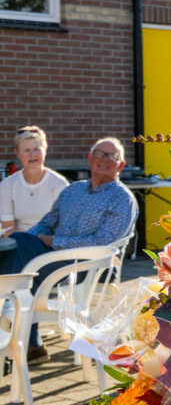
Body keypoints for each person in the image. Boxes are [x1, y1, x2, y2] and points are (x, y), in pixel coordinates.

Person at [0, 137, 137, 360]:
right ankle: (27, 341)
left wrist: (54, 241)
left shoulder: (122, 199)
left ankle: (16, 331)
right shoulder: (73, 190)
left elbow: (102, 243)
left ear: (121, 166)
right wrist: (27, 238)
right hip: (53, 258)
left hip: (89, 264)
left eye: (112, 157)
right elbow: (47, 222)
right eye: (100, 154)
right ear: (90, 158)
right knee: (17, 247)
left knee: (20, 262)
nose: (104, 160)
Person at [1, 126, 68, 236]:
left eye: (36, 149)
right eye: (27, 150)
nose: (32, 155)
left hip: (49, 246)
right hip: (19, 244)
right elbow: (8, 229)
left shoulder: (59, 184)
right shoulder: (7, 185)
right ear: (17, 153)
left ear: (45, 150)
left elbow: (64, 227)